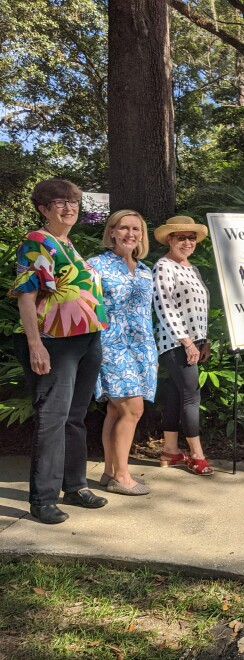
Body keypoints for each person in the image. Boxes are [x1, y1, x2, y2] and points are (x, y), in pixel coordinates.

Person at [10, 179, 109, 524]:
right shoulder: (38, 241)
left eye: (73, 202)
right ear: (43, 209)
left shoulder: (70, 244)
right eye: (60, 202)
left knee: (75, 417)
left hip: (88, 340)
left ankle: (75, 485)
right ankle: (43, 498)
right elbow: (26, 296)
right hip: (55, 341)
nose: (69, 208)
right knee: (52, 419)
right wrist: (35, 344)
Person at [88, 210, 158, 496]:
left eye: (136, 229)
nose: (131, 233)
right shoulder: (96, 265)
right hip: (111, 345)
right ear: (112, 232)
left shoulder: (144, 270)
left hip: (142, 346)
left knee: (116, 410)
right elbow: (86, 307)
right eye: (124, 228)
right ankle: (122, 475)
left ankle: (108, 471)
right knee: (133, 409)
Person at [153, 216, 214, 476]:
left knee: (177, 395)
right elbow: (165, 307)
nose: (187, 242)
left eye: (191, 238)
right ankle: (196, 455)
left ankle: (170, 450)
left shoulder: (193, 269)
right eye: (181, 237)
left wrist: (204, 340)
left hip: (194, 341)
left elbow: (198, 309)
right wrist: (187, 342)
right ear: (170, 239)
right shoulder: (163, 266)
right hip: (175, 343)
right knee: (191, 395)